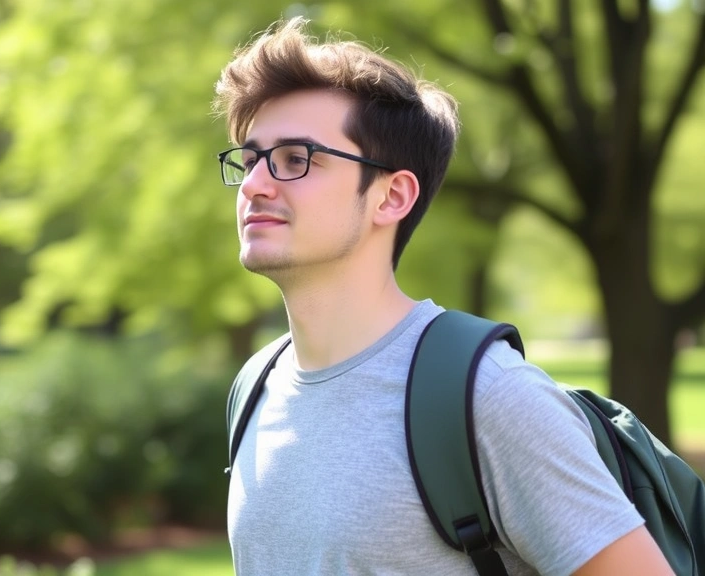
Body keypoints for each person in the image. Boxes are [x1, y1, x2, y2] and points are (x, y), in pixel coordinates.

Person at [212, 17, 674, 576]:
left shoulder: (490, 397)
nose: (256, 184)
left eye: (295, 159)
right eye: (251, 158)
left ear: (392, 197)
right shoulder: (255, 387)